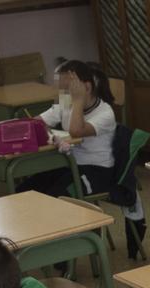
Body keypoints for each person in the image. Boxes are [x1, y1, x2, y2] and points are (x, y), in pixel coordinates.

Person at [17, 60, 118, 199]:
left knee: (55, 198)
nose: (62, 95)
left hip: (96, 172)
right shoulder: (66, 101)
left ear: (87, 87)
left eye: (67, 90)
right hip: (69, 165)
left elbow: (76, 131)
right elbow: (37, 123)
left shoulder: (105, 113)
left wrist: (78, 100)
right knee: (24, 191)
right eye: (61, 90)